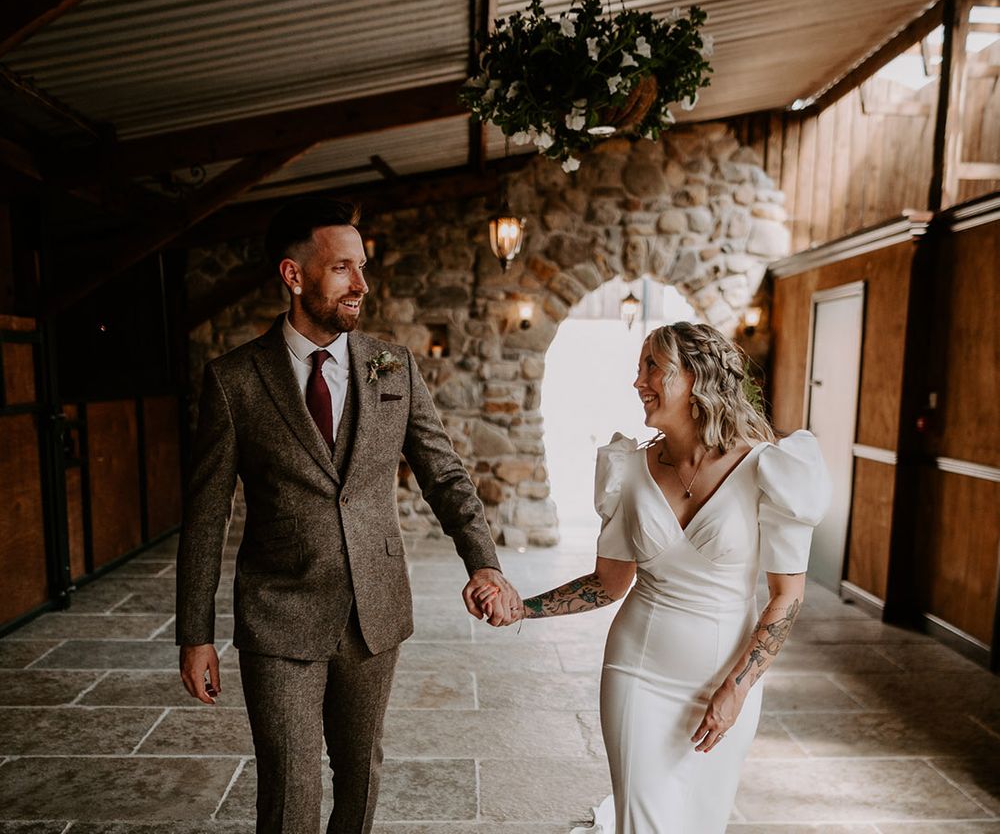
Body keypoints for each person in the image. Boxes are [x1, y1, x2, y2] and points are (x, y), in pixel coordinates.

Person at [175, 196, 521, 834]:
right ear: (294, 275)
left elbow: (444, 474)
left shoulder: (393, 365)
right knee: (291, 785)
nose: (362, 284)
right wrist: (194, 635)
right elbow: (205, 515)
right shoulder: (235, 381)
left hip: (375, 608)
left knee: (360, 772)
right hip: (279, 612)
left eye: (362, 267)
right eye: (342, 269)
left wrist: (486, 564)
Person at [474, 322, 830, 833]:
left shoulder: (770, 470)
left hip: (725, 680)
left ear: (696, 377)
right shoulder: (630, 471)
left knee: (701, 824)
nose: (638, 381)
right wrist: (523, 608)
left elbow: (785, 597)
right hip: (636, 673)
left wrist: (737, 688)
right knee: (644, 825)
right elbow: (609, 583)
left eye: (652, 367)